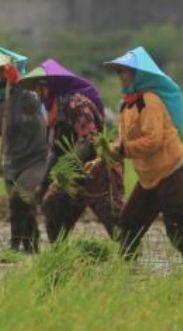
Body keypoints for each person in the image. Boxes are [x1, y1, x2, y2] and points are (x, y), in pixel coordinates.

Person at [20, 59, 124, 244]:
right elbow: (56, 147)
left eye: (39, 88)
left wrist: (64, 171)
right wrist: (45, 180)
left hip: (96, 172)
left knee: (114, 223)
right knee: (52, 207)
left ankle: (131, 260)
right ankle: (59, 257)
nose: (38, 93)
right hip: (73, 177)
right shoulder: (54, 108)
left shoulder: (75, 103)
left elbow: (89, 139)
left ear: (50, 86)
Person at [105, 46, 183, 261]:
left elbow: (153, 140)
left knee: (175, 224)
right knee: (128, 223)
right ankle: (127, 268)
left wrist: (123, 150)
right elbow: (123, 139)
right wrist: (108, 152)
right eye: (120, 72)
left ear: (138, 75)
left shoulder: (150, 101)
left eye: (126, 72)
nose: (122, 77)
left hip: (172, 169)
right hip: (148, 176)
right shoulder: (126, 106)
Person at [1, 48, 48, 253]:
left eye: (3, 71)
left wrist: (17, 84)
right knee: (22, 206)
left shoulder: (29, 95)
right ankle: (31, 246)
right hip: (12, 159)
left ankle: (14, 244)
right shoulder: (4, 99)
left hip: (34, 159)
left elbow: (34, 118)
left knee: (19, 198)